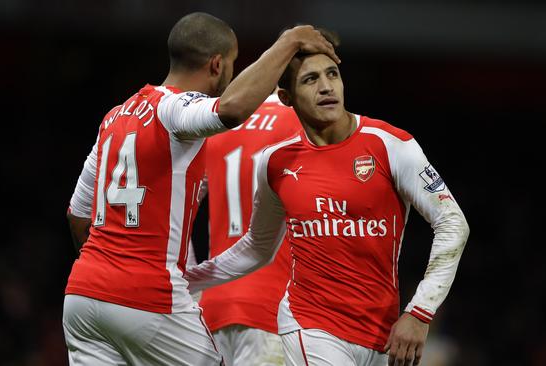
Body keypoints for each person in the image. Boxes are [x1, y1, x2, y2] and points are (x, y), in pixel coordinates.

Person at [62, 12, 339, 365]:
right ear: (217, 65)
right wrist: (289, 41)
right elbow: (232, 109)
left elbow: (77, 215)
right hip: (150, 295)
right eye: (233, 63)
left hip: (83, 296)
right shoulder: (176, 108)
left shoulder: (114, 117)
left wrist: (106, 277)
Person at [185, 29, 470, 366]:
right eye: (310, 80)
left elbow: (453, 223)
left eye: (332, 74)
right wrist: (189, 278)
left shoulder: (392, 146)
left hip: (380, 332)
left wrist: (419, 313)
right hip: (308, 326)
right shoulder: (275, 162)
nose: (325, 86)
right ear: (287, 98)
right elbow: (258, 247)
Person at [199, 92, 300, 365]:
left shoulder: (217, 122)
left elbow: (179, 208)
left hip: (212, 305)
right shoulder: (300, 120)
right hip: (272, 305)